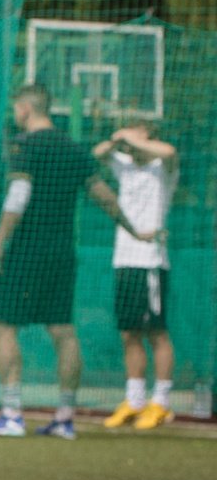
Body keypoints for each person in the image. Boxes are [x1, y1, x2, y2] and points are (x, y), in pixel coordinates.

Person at [0, 84, 118, 438]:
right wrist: (136, 229)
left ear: (25, 108)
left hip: (24, 251)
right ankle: (65, 418)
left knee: (3, 326)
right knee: (63, 331)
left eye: (15, 109)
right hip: (60, 254)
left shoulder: (25, 145)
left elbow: (18, 195)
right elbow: (103, 195)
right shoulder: (74, 149)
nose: (14, 115)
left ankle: (11, 415)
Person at [94, 113, 179, 430]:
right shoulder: (124, 164)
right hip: (124, 260)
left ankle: (162, 402)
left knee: (156, 332)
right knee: (129, 332)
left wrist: (131, 137)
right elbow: (99, 153)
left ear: (148, 134)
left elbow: (169, 153)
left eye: (137, 130)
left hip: (151, 261)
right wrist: (120, 138)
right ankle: (135, 399)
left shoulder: (163, 166)